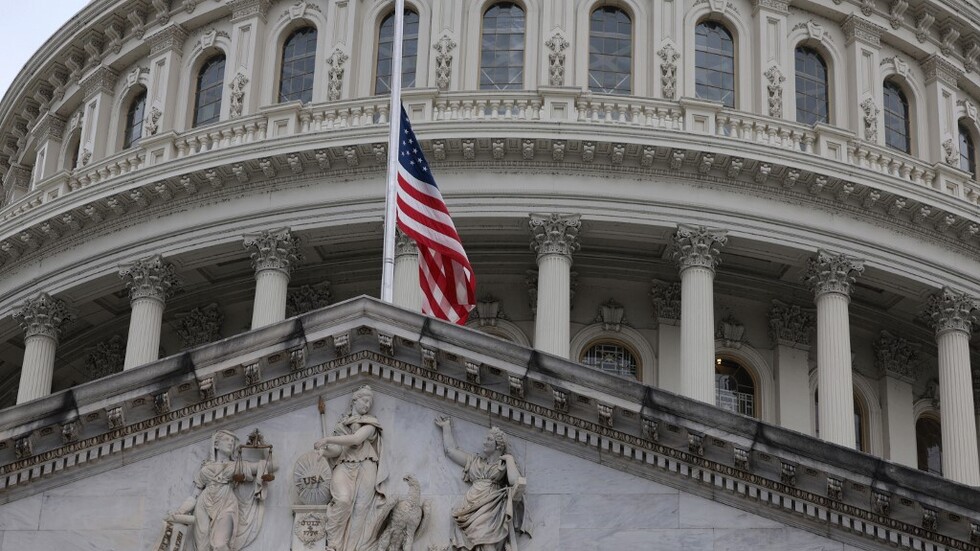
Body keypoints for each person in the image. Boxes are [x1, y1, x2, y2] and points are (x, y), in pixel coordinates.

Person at [169, 429, 276, 551]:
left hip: (226, 504)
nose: (230, 443)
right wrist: (180, 511)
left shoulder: (236, 466)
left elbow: (272, 466)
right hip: (203, 505)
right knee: (202, 547)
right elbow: (194, 496)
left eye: (232, 441)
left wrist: (264, 446)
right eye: (226, 440)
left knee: (219, 545)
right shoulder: (205, 468)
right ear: (216, 444)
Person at [435, 417, 531, 551]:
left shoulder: (503, 464)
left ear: (498, 445)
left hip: (490, 506)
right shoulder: (475, 461)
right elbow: (451, 451)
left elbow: (515, 481)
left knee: (487, 543)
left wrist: (509, 459)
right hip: (469, 506)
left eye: (489, 439)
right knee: (468, 545)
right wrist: (446, 427)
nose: (484, 442)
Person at [314, 385, 388, 551]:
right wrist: (325, 451)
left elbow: (355, 439)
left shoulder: (371, 423)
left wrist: (327, 439)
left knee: (361, 509)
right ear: (355, 400)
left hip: (366, 465)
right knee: (343, 499)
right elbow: (338, 450)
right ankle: (334, 545)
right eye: (365, 401)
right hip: (344, 465)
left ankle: (353, 548)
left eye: (370, 403)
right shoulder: (341, 425)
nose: (367, 405)